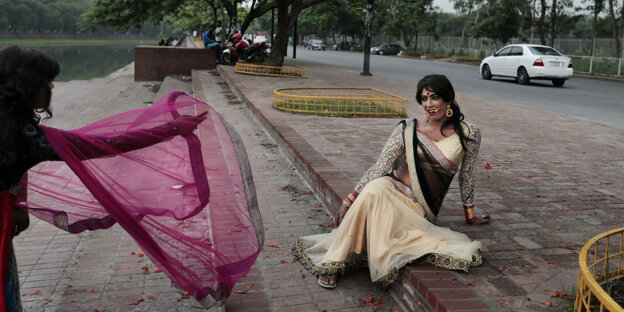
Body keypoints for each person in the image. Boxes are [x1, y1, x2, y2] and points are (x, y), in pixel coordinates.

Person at [0, 46, 263, 309]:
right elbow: (107, 144)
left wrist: (19, 203)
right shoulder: (26, 137)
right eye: (47, 81)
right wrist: (171, 129)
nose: (52, 88)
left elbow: (19, 166)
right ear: (27, 86)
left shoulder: (14, 128)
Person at [292, 74, 491, 289]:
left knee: (378, 203)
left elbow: (467, 175)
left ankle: (343, 253)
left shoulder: (469, 133)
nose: (429, 105)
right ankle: (332, 264)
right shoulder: (408, 129)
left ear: (448, 98)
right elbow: (380, 168)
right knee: (375, 188)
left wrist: (470, 215)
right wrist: (348, 201)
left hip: (417, 206)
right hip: (390, 187)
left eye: (434, 98)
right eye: (424, 99)